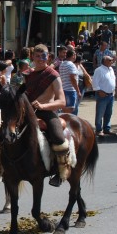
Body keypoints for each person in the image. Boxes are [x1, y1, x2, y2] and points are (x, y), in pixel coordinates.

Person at [23, 44, 70, 187]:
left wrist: (43, 106)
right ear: (32, 57)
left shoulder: (53, 75)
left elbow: (62, 101)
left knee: (58, 137)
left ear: (48, 57)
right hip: (26, 112)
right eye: (37, 56)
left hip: (47, 112)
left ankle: (60, 171)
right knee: (4, 132)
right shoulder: (26, 74)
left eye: (43, 56)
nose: (40, 59)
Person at [92, 54, 116, 137]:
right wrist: (99, 90)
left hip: (110, 95)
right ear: (104, 61)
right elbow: (94, 82)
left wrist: (113, 91)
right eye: (110, 60)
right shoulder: (99, 70)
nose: (112, 61)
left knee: (109, 113)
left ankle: (107, 129)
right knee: (100, 113)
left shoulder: (111, 69)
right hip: (102, 95)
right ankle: (98, 130)